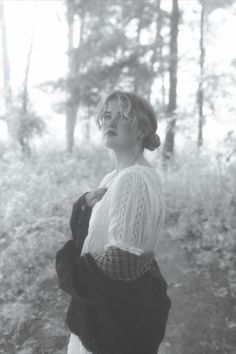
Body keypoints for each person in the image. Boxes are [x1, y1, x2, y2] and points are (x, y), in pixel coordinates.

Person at [56, 90, 171, 354]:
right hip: (99, 315)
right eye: (107, 116)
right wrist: (84, 205)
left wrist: (66, 266)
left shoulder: (134, 178)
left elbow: (120, 263)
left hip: (114, 326)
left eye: (123, 116)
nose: (111, 122)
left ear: (142, 129)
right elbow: (92, 237)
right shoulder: (113, 177)